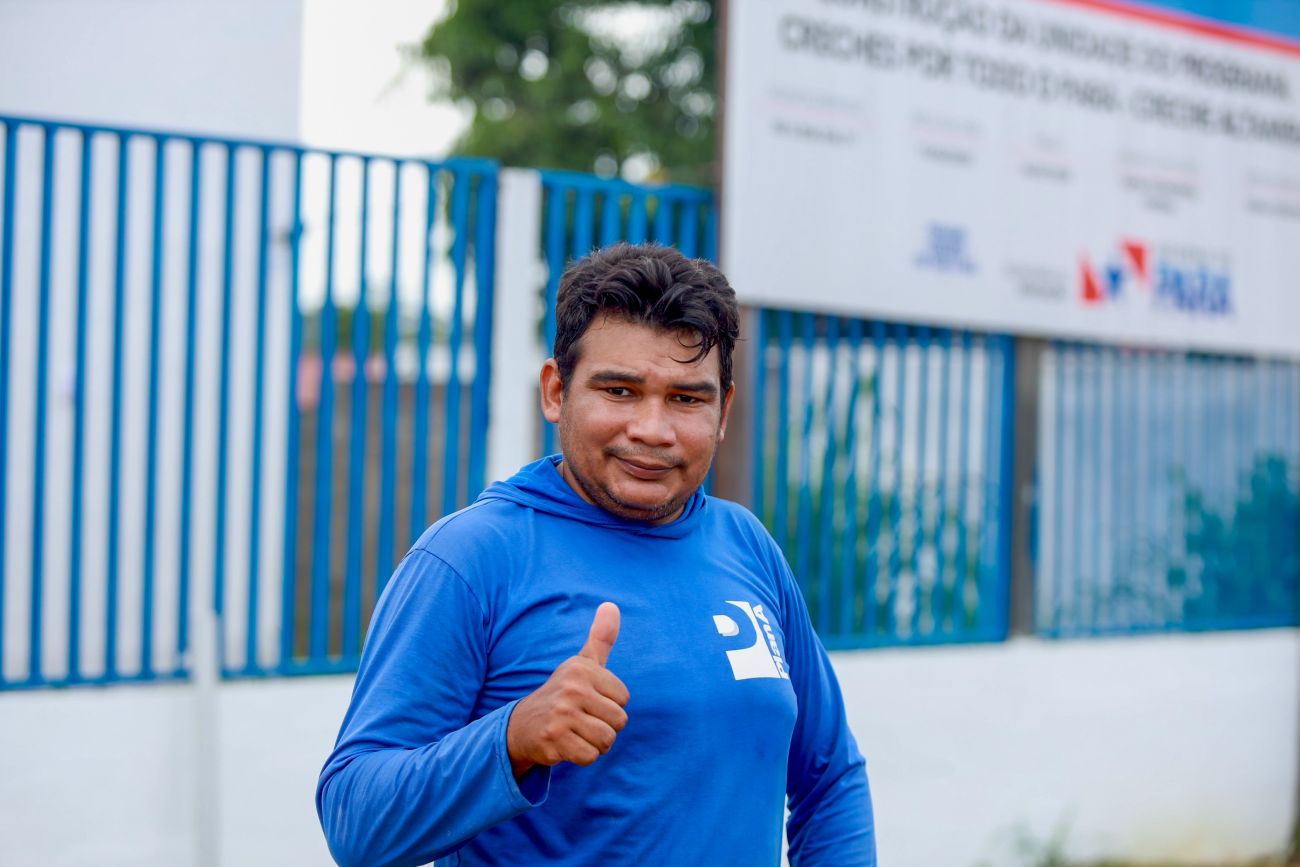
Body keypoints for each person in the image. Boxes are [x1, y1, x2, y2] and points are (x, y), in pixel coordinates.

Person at [316, 242, 876, 866]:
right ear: (557, 391)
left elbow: (830, 777)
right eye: (619, 390)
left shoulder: (746, 545)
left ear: (724, 411)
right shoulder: (472, 558)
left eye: (687, 399)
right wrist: (513, 739)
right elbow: (354, 819)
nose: (652, 430)